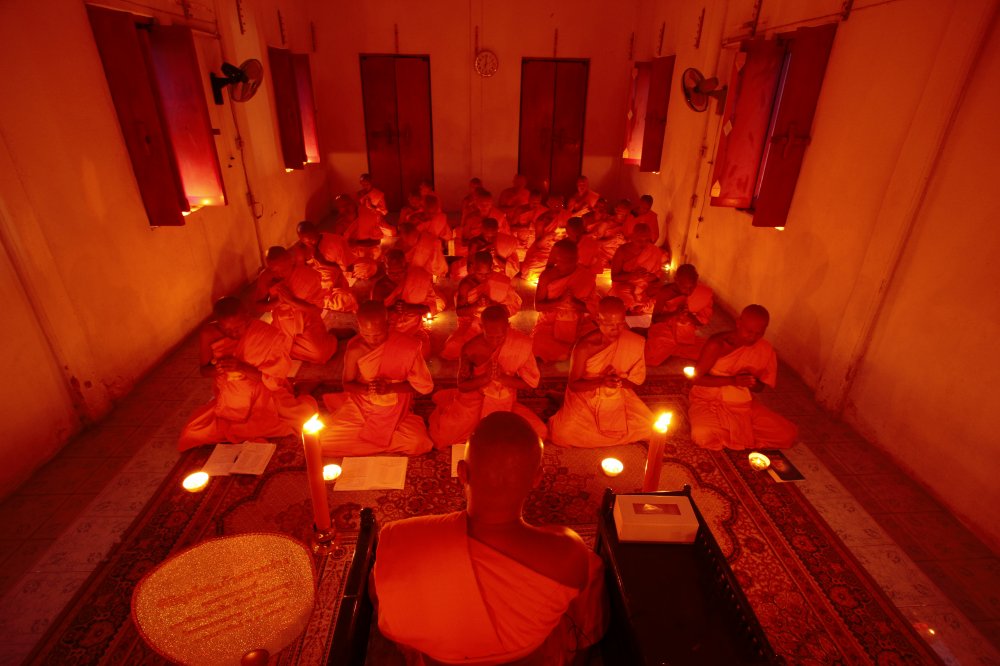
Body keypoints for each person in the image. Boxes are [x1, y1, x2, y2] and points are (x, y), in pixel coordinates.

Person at [374, 411, 607, 665]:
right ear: (537, 479)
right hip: (529, 657)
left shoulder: (403, 539)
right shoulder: (568, 550)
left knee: (380, 577)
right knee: (592, 567)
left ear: (462, 472)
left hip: (442, 660)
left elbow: (390, 625)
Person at [178, 297, 317, 451]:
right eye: (227, 330)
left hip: (263, 393)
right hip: (231, 399)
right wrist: (219, 369)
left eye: (238, 327)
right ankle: (293, 391)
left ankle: (303, 391)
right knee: (191, 432)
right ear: (218, 324)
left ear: (247, 317)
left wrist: (241, 367)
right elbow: (204, 370)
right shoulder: (208, 334)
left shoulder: (265, 334)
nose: (234, 333)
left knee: (302, 418)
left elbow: (272, 379)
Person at [320, 301, 433, 455]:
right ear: (359, 327)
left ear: (388, 325)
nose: (372, 340)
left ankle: (371, 442)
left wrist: (390, 388)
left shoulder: (406, 346)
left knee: (419, 443)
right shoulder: (356, 349)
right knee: (323, 442)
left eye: (378, 334)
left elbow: (423, 387)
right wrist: (368, 389)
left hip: (396, 407)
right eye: (366, 334)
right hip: (362, 407)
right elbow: (347, 384)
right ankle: (382, 441)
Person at [429, 306, 546, 447]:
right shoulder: (470, 349)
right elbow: (463, 386)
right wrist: (486, 377)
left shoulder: (520, 344)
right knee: (441, 438)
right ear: (481, 326)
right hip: (474, 400)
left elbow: (530, 383)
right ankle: (451, 403)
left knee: (539, 433)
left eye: (500, 337)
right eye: (490, 336)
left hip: (504, 401)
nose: (495, 341)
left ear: (508, 326)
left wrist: (502, 378)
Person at [688, 304, 798, 450]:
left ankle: (739, 434)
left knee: (787, 435)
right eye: (749, 331)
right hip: (709, 400)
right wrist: (733, 380)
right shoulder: (718, 344)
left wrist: (752, 382)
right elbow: (696, 379)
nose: (752, 337)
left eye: (759, 333)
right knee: (702, 435)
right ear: (738, 323)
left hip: (741, 405)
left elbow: (760, 388)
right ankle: (742, 435)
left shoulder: (764, 349)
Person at [549, 296, 653, 447]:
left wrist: (617, 381)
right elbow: (574, 385)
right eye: (610, 324)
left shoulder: (632, 342)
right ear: (598, 319)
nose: (616, 329)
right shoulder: (585, 346)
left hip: (616, 395)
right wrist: (602, 382)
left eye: (620, 324)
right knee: (562, 434)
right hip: (585, 396)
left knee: (650, 428)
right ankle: (563, 404)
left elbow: (635, 382)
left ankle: (562, 403)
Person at [255, 247, 338, 364]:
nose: (279, 275)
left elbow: (317, 310)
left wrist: (292, 301)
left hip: (307, 321)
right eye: (274, 270)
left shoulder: (308, 275)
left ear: (291, 262)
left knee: (320, 354)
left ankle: (331, 337)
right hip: (282, 324)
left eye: (284, 270)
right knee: (265, 352)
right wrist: (278, 302)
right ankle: (290, 347)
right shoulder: (266, 277)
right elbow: (258, 307)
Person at [441, 252, 522, 361]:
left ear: (492, 267)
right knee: (454, 346)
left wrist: (493, 304)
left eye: (487, 273)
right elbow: (459, 312)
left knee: (515, 346)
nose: (484, 277)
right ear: (473, 268)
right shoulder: (466, 285)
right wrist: (476, 306)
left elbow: (512, 307)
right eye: (479, 273)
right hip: (474, 323)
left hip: (495, 324)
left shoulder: (500, 280)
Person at [532, 240, 598, 363]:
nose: (566, 265)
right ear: (556, 260)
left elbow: (593, 308)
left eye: (570, 261)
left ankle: (570, 352)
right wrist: (559, 301)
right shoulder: (547, 276)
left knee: (596, 337)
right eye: (562, 261)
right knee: (538, 344)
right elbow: (538, 306)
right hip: (550, 323)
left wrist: (574, 303)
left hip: (578, 323)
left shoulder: (587, 276)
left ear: (577, 259)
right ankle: (573, 352)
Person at [372, 249, 442, 359]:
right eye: (392, 272)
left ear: (406, 267)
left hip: (413, 330)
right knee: (381, 352)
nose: (396, 276)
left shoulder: (418, 280)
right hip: (389, 332)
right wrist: (392, 309)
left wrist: (409, 308)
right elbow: (374, 316)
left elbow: (431, 308)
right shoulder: (380, 287)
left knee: (422, 352)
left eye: (400, 272)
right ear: (385, 269)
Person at [645, 264, 713, 366]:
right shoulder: (665, 292)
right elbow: (655, 319)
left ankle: (671, 349)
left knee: (709, 353)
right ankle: (664, 345)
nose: (688, 292)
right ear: (676, 280)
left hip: (685, 334)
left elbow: (702, 322)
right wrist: (675, 314)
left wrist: (689, 316)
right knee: (651, 359)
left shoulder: (703, 294)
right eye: (684, 287)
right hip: (664, 331)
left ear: (697, 280)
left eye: (692, 287)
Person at [294, 222, 358, 313]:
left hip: (335, 279)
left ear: (317, 231)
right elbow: (301, 274)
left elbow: (348, 269)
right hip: (317, 288)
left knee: (348, 299)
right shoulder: (301, 250)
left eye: (313, 239)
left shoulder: (335, 241)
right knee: (346, 300)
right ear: (301, 239)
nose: (312, 244)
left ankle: (329, 299)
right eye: (307, 242)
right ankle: (325, 301)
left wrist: (324, 263)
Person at [607, 223, 665, 311]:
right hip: (625, 287)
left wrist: (650, 277)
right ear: (632, 237)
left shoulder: (655, 251)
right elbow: (614, 277)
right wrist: (633, 275)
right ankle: (638, 306)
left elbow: (657, 278)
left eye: (647, 240)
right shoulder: (622, 251)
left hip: (645, 288)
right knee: (619, 294)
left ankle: (636, 306)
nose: (643, 244)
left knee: (662, 294)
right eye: (639, 240)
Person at [519, 196, 571, 283]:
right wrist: (547, 237)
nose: (558, 208)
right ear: (549, 205)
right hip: (544, 250)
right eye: (556, 206)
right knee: (532, 270)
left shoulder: (565, 216)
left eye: (560, 205)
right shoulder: (542, 220)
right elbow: (538, 244)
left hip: (560, 249)